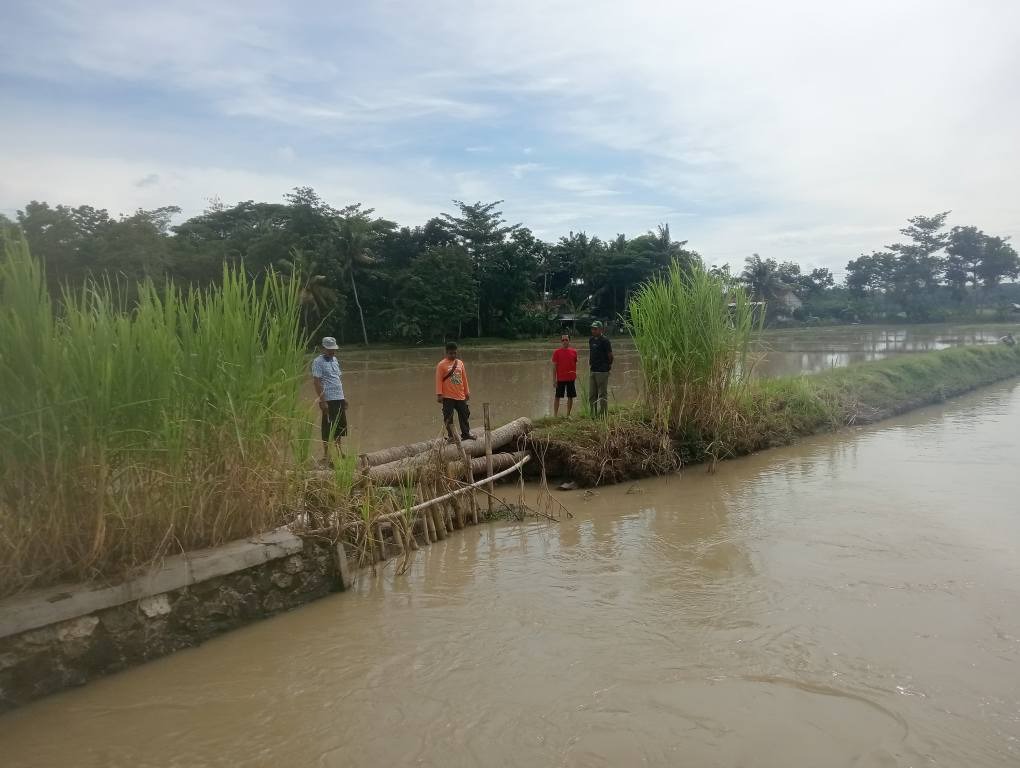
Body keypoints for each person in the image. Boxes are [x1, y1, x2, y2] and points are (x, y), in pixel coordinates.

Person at [311, 336, 347, 464]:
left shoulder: (335, 360)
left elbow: (337, 380)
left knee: (339, 426)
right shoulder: (317, 362)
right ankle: (327, 455)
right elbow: (316, 382)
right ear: (323, 348)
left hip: (339, 398)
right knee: (327, 427)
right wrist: (323, 400)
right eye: (330, 349)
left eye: (334, 349)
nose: (332, 352)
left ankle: (339, 452)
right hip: (329, 399)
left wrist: (344, 398)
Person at [436, 341, 472, 441]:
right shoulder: (441, 365)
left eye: (455, 353)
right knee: (448, 417)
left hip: (460, 395)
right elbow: (438, 380)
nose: (453, 355)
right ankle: (452, 436)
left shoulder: (460, 363)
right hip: (448, 396)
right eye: (451, 353)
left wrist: (467, 392)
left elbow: (464, 378)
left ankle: (466, 434)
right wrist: (439, 394)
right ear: (446, 353)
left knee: (464, 414)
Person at [588, 320, 613, 416]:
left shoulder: (605, 341)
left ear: (600, 329)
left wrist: (608, 366)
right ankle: (593, 414)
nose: (593, 330)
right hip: (593, 370)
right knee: (592, 395)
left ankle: (603, 414)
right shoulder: (591, 340)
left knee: (602, 394)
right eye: (592, 329)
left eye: (595, 329)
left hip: (602, 371)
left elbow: (610, 355)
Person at [551, 334, 578, 416]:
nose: (564, 341)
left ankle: (568, 415)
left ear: (569, 341)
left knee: (570, 397)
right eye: (563, 340)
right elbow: (554, 367)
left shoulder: (574, 352)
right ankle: (555, 415)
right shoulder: (556, 352)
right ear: (561, 342)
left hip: (571, 378)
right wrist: (554, 380)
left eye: (566, 340)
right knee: (557, 397)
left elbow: (574, 363)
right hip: (560, 379)